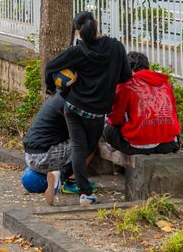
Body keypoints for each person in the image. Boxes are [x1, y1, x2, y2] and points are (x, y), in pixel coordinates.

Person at [44, 11, 132, 206]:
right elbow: (126, 76)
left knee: (79, 147)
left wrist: (53, 88)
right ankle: (83, 192)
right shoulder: (116, 47)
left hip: (74, 108)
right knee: (86, 148)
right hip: (97, 112)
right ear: (97, 23)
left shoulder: (77, 52)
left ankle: (64, 177)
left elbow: (50, 67)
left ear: (78, 31)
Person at [104, 52, 181, 155]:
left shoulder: (127, 84)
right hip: (169, 143)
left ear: (127, 67)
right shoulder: (165, 83)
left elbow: (115, 118)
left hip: (139, 145)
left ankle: (112, 147)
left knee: (105, 125)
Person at [21, 93, 70, 205]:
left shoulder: (54, 99)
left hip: (30, 157)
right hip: (44, 157)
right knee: (86, 143)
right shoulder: (69, 103)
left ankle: (56, 177)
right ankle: (71, 181)